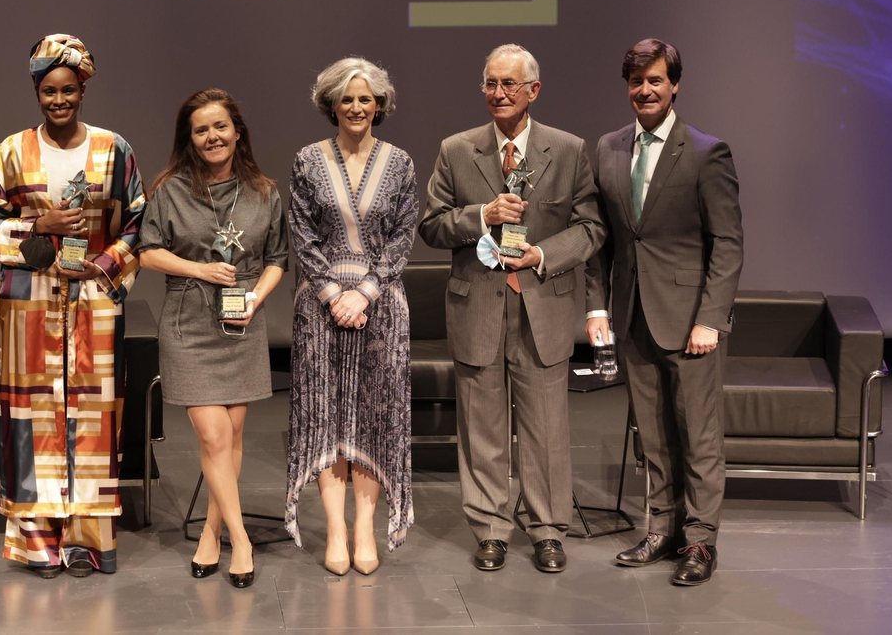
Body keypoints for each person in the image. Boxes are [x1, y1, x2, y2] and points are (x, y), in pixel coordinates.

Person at [420, 44, 604, 575]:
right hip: (477, 306)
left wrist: (542, 254)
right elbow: (431, 225)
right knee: (482, 427)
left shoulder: (567, 150)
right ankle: (491, 529)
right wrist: (482, 215)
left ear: (533, 91)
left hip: (541, 306)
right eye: (490, 84)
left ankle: (547, 530)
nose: (498, 93)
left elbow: (591, 228)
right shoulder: (457, 150)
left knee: (546, 429)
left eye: (509, 84)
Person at [0, 33, 148, 577]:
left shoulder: (114, 149)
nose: (59, 100)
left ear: (83, 90)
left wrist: (101, 267)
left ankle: (86, 541)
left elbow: (138, 222)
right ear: (36, 91)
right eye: (49, 91)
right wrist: (40, 226)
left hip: (94, 301)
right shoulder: (11, 150)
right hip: (28, 302)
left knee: (94, 420)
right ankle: (37, 541)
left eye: (68, 90)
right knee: (30, 420)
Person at [585, 39, 742, 586]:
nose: (645, 90)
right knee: (651, 435)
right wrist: (598, 306)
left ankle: (699, 540)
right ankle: (662, 529)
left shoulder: (706, 151)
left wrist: (710, 319)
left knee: (698, 436)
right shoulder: (608, 148)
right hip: (633, 316)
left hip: (691, 321)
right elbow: (603, 239)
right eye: (637, 81)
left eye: (655, 80)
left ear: (674, 85)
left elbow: (727, 244)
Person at [138, 89, 288, 590]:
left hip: (241, 323)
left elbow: (277, 259)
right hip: (188, 322)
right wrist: (199, 269)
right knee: (213, 436)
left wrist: (255, 299)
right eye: (201, 130)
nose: (212, 137)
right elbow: (147, 252)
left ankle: (211, 530)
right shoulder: (169, 190)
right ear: (190, 138)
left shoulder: (264, 192)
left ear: (237, 132)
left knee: (232, 437)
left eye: (220, 126)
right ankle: (241, 541)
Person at [285, 57, 418, 575]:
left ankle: (364, 526)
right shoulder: (306, 159)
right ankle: (335, 530)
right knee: (326, 416)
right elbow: (302, 235)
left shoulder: (401, 162)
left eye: (366, 98)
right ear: (331, 104)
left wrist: (363, 293)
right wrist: (331, 294)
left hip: (381, 305)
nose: (357, 107)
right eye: (347, 98)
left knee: (372, 416)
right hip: (319, 308)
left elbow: (403, 236)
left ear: (379, 104)